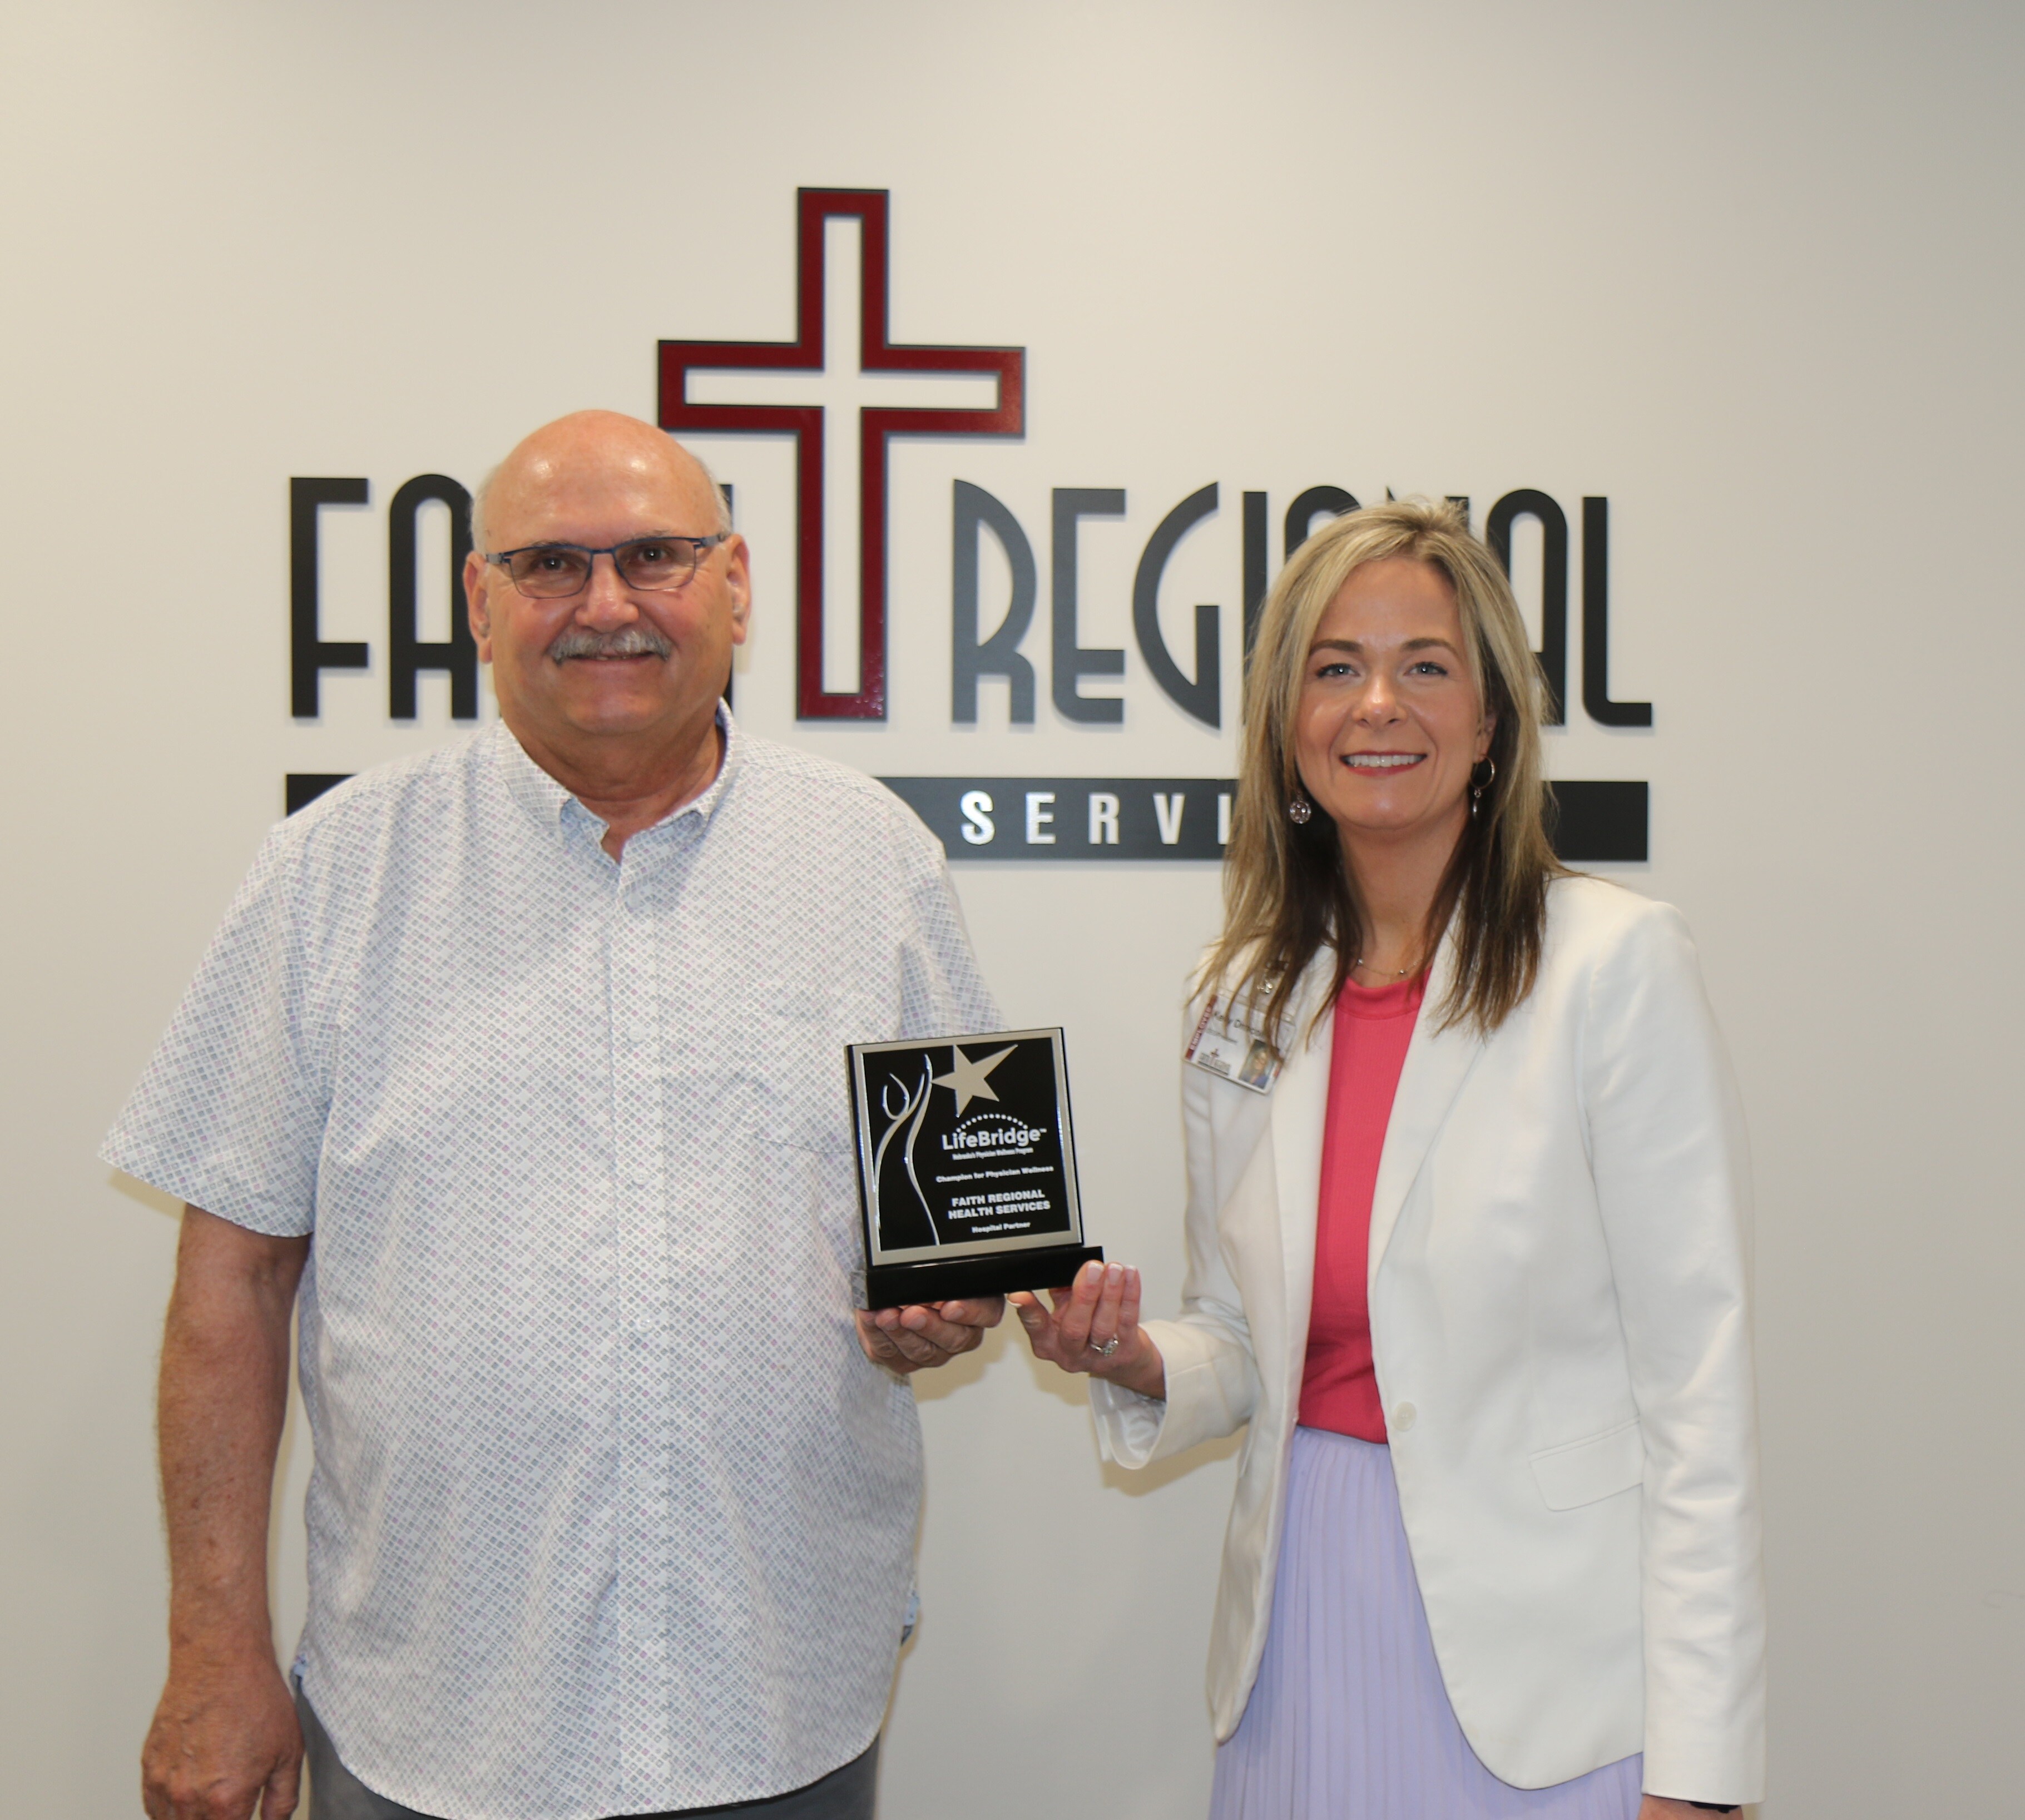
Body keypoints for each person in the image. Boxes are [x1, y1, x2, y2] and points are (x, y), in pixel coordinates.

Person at [106, 410, 1004, 1820]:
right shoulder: (330, 877)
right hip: (433, 1719)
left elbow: (951, 1236)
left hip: (775, 1702)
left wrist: (947, 1308)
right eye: (549, 565)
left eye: (655, 555)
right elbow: (231, 1277)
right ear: (478, 599)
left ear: (737, 581)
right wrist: (212, 1645)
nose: (605, 604)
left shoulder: (875, 863)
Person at [1014, 498, 1764, 1818]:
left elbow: (1698, 1396)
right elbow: (1250, 1338)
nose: (1378, 705)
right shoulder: (1237, 992)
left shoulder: (1614, 964)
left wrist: (1699, 1771)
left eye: (1425, 665)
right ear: (1288, 729)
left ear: (1490, 723)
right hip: (1300, 1618)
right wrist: (1129, 1356)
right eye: (1335, 667)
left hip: (1546, 1676)